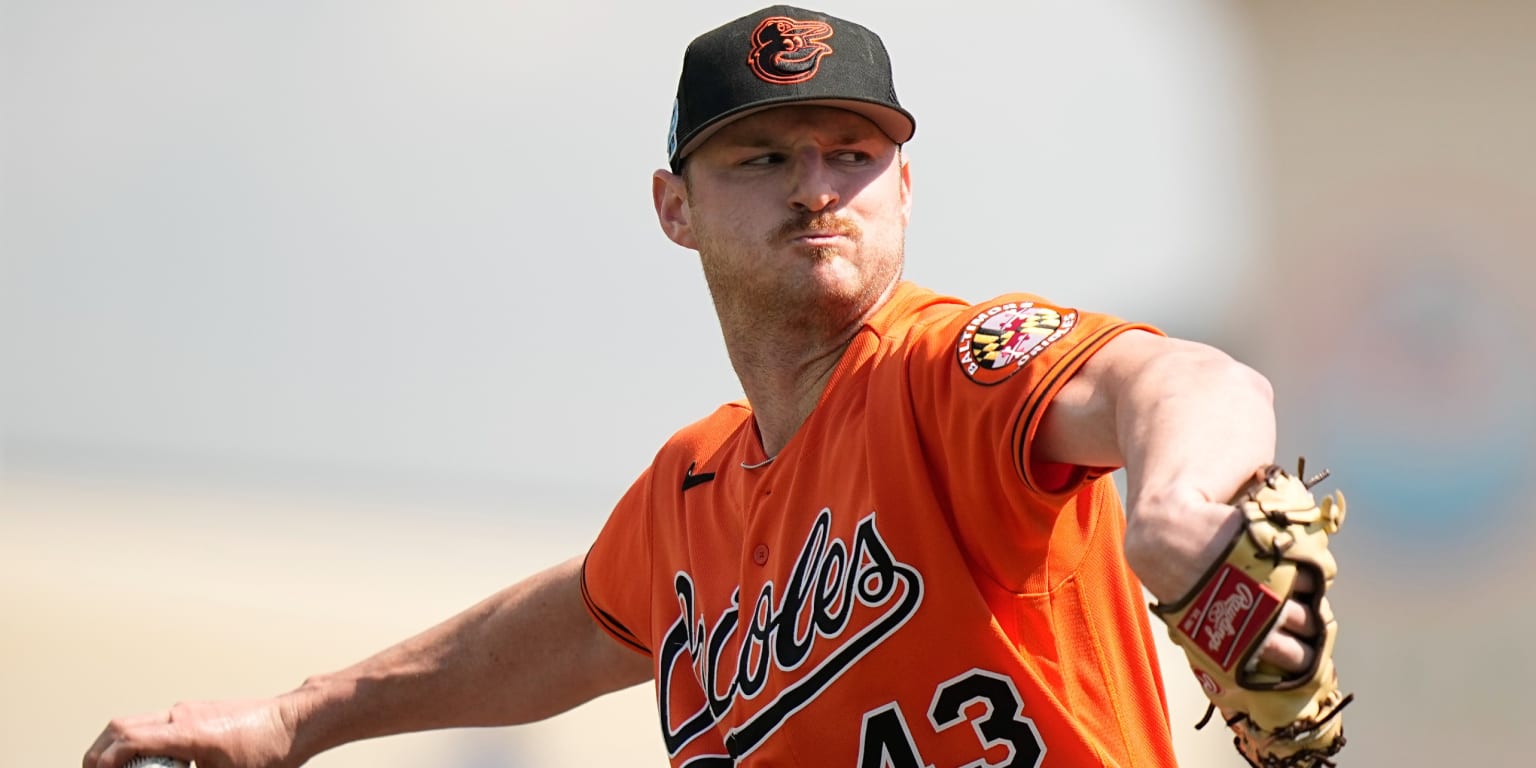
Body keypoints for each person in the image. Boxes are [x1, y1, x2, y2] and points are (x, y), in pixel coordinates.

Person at [84, 6, 1332, 767]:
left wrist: (1178, 504)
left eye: (855, 156)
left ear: (905, 190)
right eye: (763, 156)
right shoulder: (691, 492)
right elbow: (561, 630)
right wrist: (298, 721)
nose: (816, 189)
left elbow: (1183, 378)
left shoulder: (952, 371)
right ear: (673, 207)